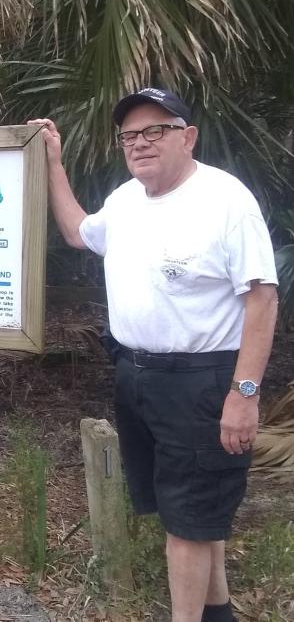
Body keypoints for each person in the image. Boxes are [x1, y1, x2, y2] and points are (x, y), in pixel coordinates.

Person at [30, 88, 278, 622]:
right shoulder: (125, 200)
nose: (139, 144)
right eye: (129, 136)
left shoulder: (225, 200)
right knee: (186, 513)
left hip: (202, 382)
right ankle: (218, 614)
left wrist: (245, 393)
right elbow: (77, 231)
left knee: (188, 523)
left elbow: (262, 297)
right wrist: (54, 162)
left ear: (187, 137)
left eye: (154, 131)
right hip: (136, 374)